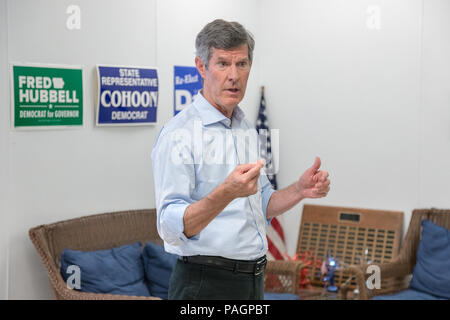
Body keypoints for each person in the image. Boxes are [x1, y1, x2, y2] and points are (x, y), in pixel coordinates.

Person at [151, 19, 330, 300]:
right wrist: (226, 193)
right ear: (201, 67)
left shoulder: (244, 128)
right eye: (222, 64)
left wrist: (299, 190)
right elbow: (171, 227)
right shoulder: (179, 135)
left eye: (242, 64)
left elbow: (259, 203)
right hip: (205, 283)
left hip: (252, 280)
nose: (234, 75)